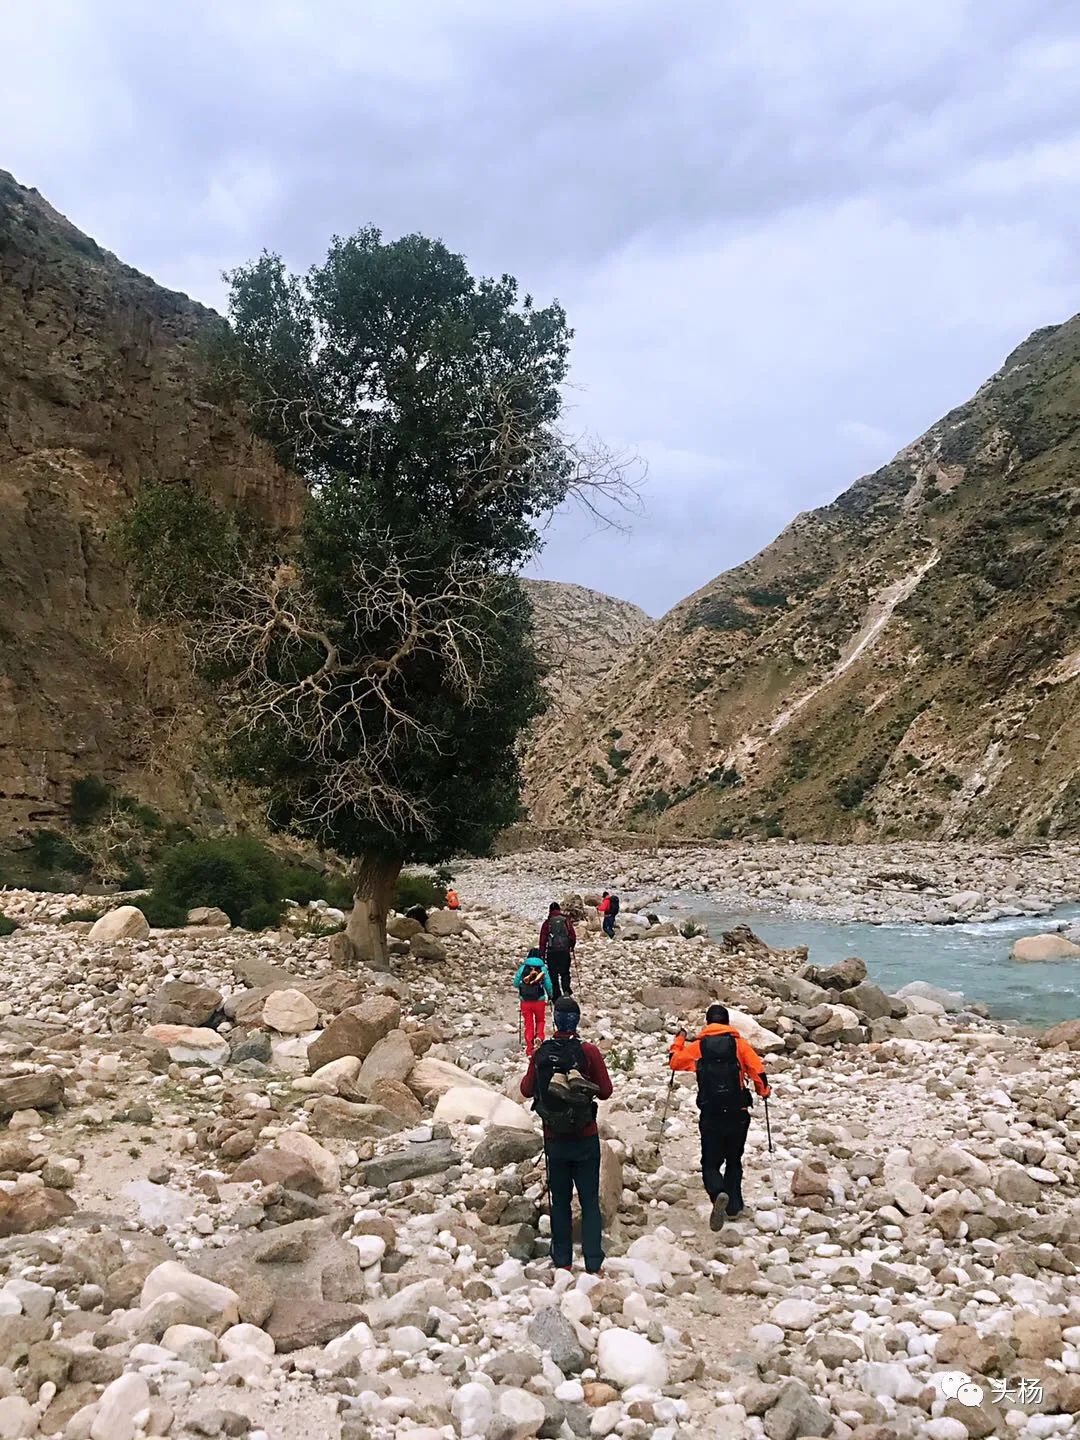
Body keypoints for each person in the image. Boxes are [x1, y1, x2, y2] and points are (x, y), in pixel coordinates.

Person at [520, 997, 613, 1275]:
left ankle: (563, 1260)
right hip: (585, 1136)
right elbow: (606, 1091)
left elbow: (526, 1090)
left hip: (554, 1138)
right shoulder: (589, 1051)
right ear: (578, 1019)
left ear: (555, 1020)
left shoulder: (542, 1053)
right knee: (589, 1200)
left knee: (559, 1201)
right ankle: (593, 1261)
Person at [669, 1004, 771, 1230]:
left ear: (707, 1023)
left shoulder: (699, 1047)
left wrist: (679, 1040)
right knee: (734, 1160)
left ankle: (718, 1193)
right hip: (738, 1113)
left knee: (710, 1162)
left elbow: (674, 1062)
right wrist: (763, 1091)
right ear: (727, 1023)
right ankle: (733, 1206)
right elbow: (757, 1069)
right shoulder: (739, 1045)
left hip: (711, 1113)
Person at [513, 946, 553, 1056]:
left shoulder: (523, 968)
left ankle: (529, 1049)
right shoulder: (542, 968)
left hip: (525, 1001)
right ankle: (539, 1037)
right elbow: (548, 984)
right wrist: (551, 995)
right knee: (540, 1020)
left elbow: (516, 983)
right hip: (539, 1000)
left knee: (528, 1024)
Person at [539, 902, 576, 1000]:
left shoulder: (547, 923)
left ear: (550, 910)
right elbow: (572, 935)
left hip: (552, 952)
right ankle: (566, 990)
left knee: (553, 974)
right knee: (565, 972)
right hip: (564, 951)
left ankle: (556, 996)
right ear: (559, 910)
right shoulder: (566, 921)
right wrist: (571, 946)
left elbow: (543, 940)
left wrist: (542, 954)